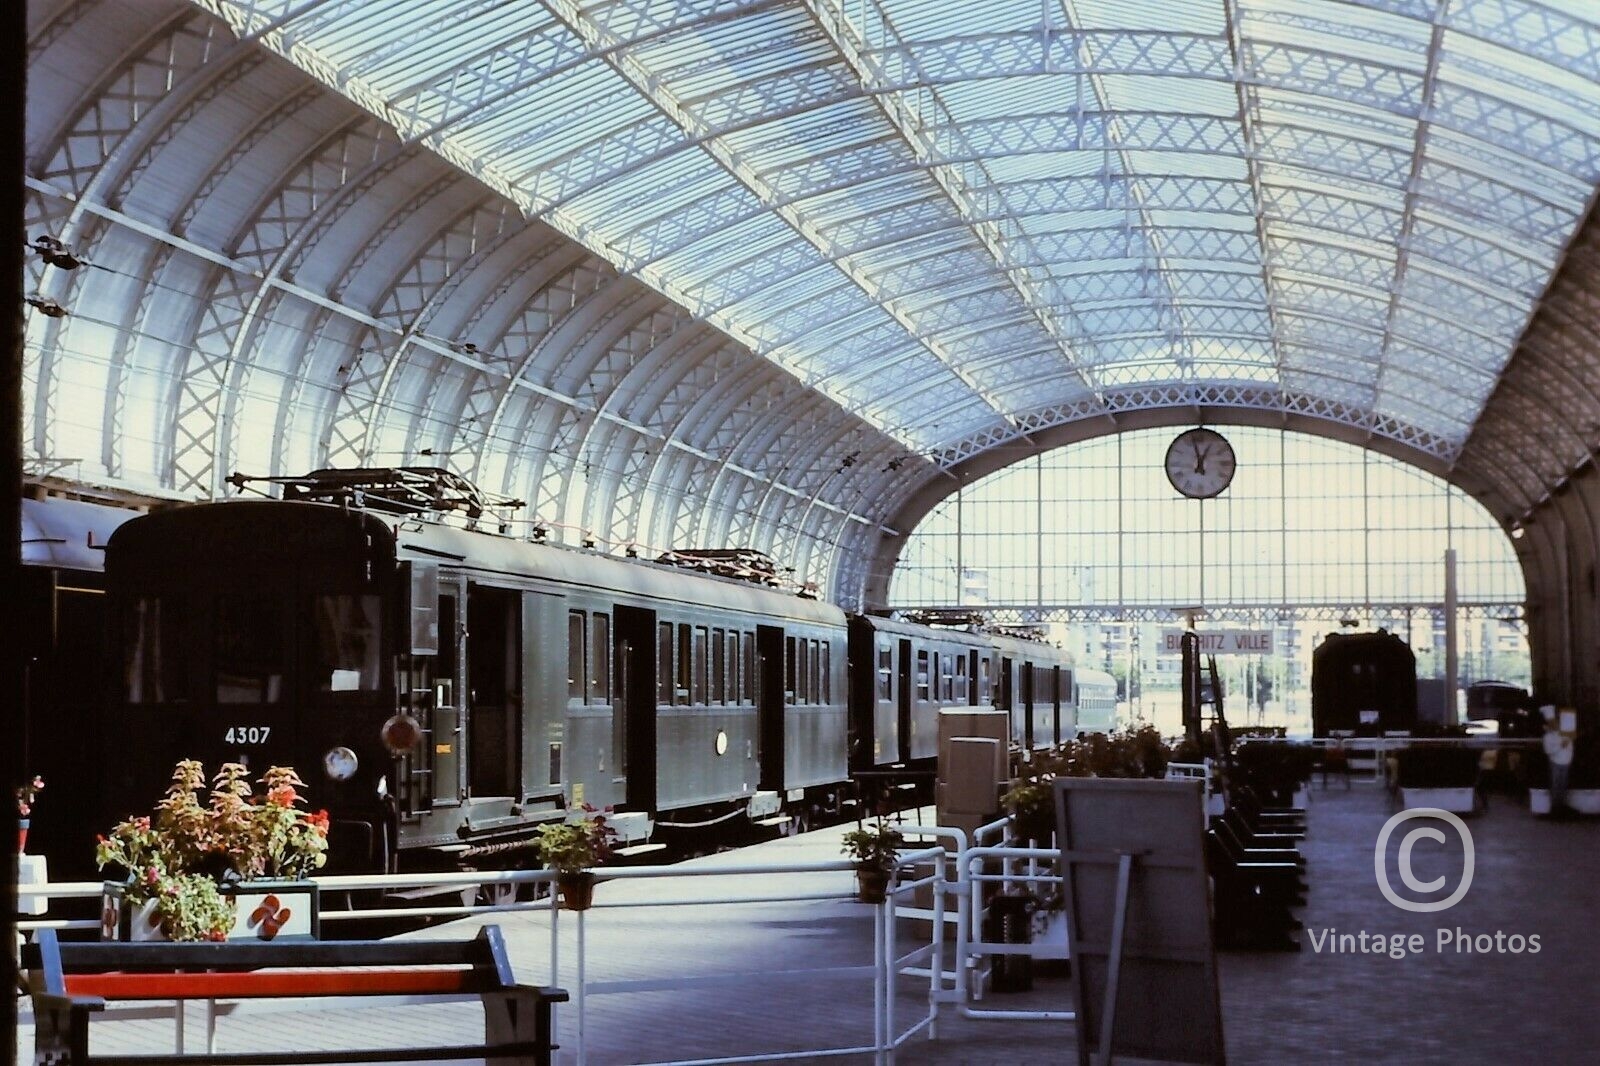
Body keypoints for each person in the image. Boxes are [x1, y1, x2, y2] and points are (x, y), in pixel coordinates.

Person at [1541, 705, 1576, 816]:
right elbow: (1548, 750)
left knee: (1563, 785)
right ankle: (1555, 807)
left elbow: (1570, 744)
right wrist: (1560, 746)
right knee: (1556, 785)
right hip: (1555, 762)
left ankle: (1561, 806)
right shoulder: (1547, 737)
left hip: (1566, 761)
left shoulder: (1565, 732)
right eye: (1551, 723)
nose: (1554, 724)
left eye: (1555, 722)